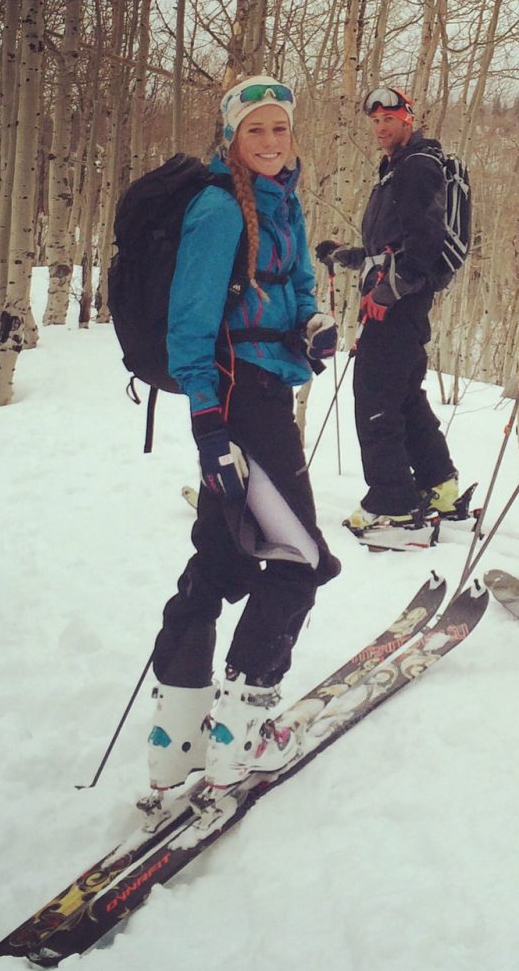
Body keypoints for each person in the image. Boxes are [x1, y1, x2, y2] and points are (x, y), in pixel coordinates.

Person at [143, 75, 340, 808]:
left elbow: (294, 290)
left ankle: (178, 733)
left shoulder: (283, 201)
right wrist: (208, 428)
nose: (269, 141)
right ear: (232, 136)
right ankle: (243, 730)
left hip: (266, 389)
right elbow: (188, 330)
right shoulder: (220, 209)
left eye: (279, 129)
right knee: (299, 560)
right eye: (254, 130)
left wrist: (310, 328)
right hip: (238, 403)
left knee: (223, 554)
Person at [315, 87, 460, 542]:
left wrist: (388, 292)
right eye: (375, 120)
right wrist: (349, 256)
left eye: (389, 119)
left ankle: (393, 505)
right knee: (402, 395)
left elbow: (423, 244)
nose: (381, 128)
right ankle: (439, 485)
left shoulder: (416, 167)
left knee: (375, 396)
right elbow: (392, 246)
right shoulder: (400, 167)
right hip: (402, 300)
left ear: (408, 120)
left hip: (397, 304)